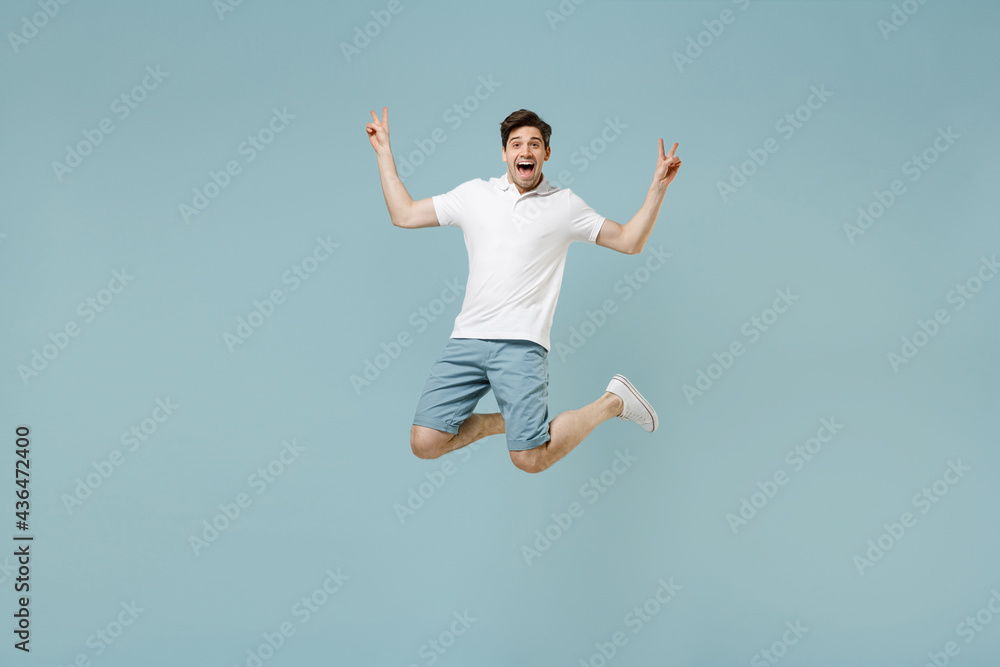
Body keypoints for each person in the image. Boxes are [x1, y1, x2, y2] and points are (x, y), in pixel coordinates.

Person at [366, 107, 681, 473]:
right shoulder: (474, 195)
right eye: (516, 144)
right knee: (425, 442)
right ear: (505, 153)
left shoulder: (564, 205)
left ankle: (612, 401)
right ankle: (506, 424)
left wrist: (657, 187)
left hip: (521, 344)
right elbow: (403, 214)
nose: (525, 151)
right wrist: (384, 151)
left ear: (546, 153)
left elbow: (629, 241)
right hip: (466, 340)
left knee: (530, 459)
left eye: (534, 144)